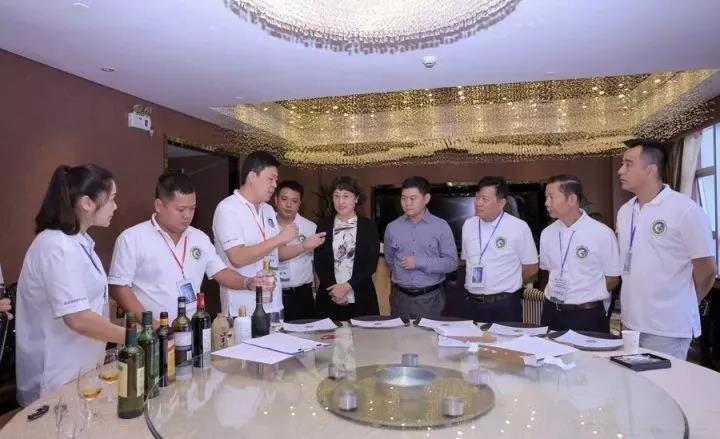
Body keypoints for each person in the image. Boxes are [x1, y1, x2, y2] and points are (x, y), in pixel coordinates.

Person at [15, 164, 125, 406]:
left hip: (81, 372)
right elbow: (78, 319)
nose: (115, 207)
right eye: (112, 199)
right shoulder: (56, 246)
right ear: (87, 203)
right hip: (55, 379)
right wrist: (131, 337)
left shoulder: (80, 242)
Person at [108, 172, 269, 323]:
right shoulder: (132, 239)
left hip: (191, 328)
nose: (187, 215)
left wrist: (247, 282)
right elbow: (119, 288)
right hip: (151, 333)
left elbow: (221, 272)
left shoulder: (199, 238)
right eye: (181, 209)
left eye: (192, 208)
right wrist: (152, 326)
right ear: (159, 205)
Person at [617, 139, 716, 359]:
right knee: (630, 380)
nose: (621, 170)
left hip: (668, 328)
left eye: (628, 164)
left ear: (650, 169)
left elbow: (707, 270)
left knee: (662, 381)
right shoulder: (625, 211)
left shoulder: (685, 210)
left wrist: (686, 300)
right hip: (630, 323)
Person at [212, 151, 324, 318]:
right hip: (244, 307)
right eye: (270, 179)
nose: (274, 185)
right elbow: (237, 257)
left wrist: (303, 246)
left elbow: (276, 253)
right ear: (252, 177)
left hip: (274, 304)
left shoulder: (268, 210)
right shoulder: (228, 209)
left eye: (276, 180)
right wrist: (278, 239)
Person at [539, 175, 621, 332]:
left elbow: (612, 279)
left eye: (551, 197)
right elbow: (548, 271)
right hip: (551, 312)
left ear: (571, 199)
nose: (546, 203)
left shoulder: (601, 233)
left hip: (587, 315)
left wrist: (585, 294)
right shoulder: (547, 233)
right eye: (546, 197)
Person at [460, 176, 538, 323]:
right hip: (471, 303)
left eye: (485, 199)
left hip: (504, 306)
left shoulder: (518, 227)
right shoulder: (468, 225)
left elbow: (531, 268)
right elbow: (467, 260)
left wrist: (510, 283)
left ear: (501, 203)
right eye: (477, 197)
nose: (478, 203)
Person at [384, 176, 457, 319]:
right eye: (403, 198)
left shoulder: (441, 226)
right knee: (398, 333)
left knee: (428, 334)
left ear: (426, 198)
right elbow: (390, 261)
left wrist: (419, 262)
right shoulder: (392, 228)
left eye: (413, 198)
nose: (407, 203)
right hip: (400, 299)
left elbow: (451, 263)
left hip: (430, 299)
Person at [314, 176, 380, 320]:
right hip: (330, 296)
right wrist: (335, 291)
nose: (340, 201)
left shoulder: (368, 227)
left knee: (363, 334)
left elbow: (371, 265)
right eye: (336, 196)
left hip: (361, 296)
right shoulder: (323, 225)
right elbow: (319, 262)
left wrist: (346, 287)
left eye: (346, 196)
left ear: (356, 199)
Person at [274, 180, 324, 321]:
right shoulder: (265, 225)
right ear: (276, 200)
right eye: (284, 199)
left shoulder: (310, 228)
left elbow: (316, 266)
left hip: (302, 296)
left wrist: (317, 296)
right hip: (272, 294)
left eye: (294, 201)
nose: (289, 205)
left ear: (300, 203)